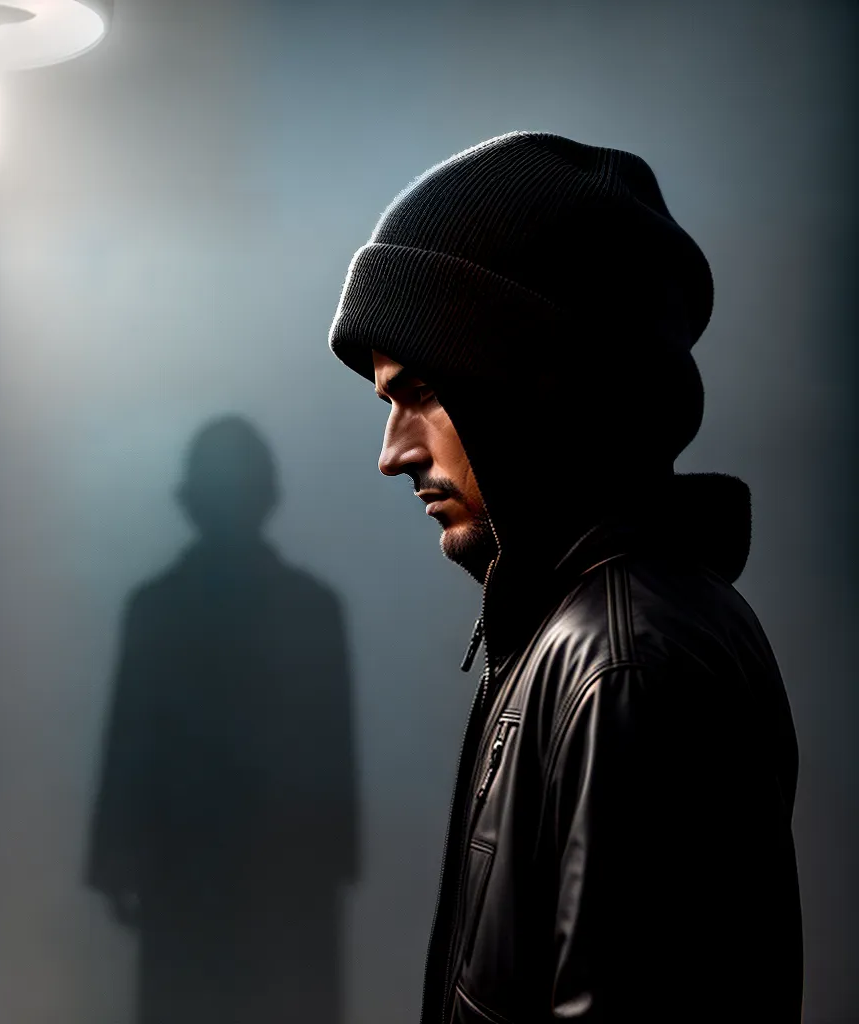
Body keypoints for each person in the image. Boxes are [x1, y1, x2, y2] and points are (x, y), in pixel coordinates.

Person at [328, 131, 802, 1023]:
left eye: (423, 391)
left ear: (533, 383)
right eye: (388, 402)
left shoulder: (626, 663)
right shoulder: (576, 627)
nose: (393, 453)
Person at [86, 415, 358, 1024]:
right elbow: (334, 760)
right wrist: (335, 865)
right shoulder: (312, 610)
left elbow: (128, 746)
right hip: (285, 875)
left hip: (186, 873)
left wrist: (114, 861)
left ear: (188, 500)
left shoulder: (157, 609)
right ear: (270, 497)